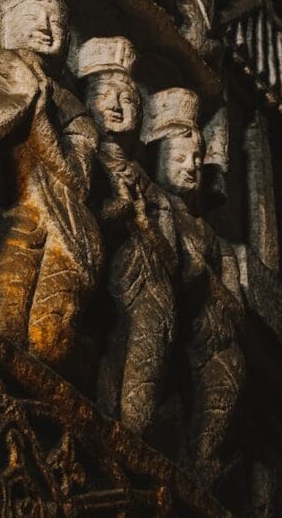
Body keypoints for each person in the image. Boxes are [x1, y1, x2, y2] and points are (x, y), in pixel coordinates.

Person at [0, 0, 102, 368]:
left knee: (48, 338)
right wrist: (26, 96)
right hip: (19, 212)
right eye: (34, 15)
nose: (46, 28)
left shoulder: (75, 111)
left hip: (69, 227)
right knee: (7, 317)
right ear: (11, 21)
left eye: (56, 22)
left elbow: (78, 183)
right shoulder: (5, 66)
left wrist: (42, 117)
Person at [77, 37, 178, 437]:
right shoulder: (85, 153)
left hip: (143, 292)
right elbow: (82, 210)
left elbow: (170, 259)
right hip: (93, 275)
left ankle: (131, 442)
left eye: (129, 99)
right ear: (86, 101)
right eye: (106, 96)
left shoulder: (152, 190)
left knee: (139, 371)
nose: (118, 106)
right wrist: (121, 208)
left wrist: (141, 215)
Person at [142, 87, 244, 479]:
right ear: (156, 155)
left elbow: (236, 311)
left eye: (197, 161)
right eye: (179, 157)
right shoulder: (151, 199)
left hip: (209, 342)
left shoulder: (214, 243)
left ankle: (201, 460)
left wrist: (210, 280)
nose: (190, 167)